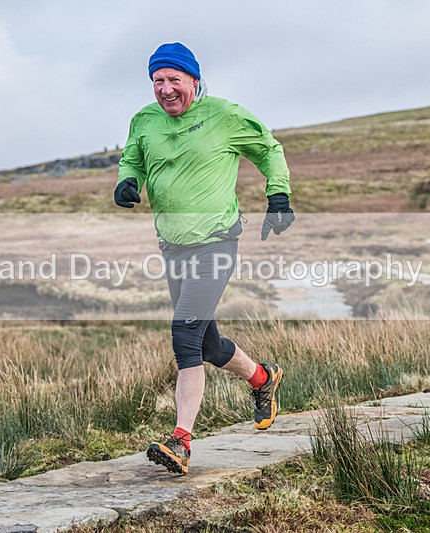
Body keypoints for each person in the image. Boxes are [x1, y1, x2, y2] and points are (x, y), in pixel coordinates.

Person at [115, 42, 295, 475]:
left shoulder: (224, 115)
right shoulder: (144, 120)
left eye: (174, 79)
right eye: (158, 81)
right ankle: (263, 378)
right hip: (172, 246)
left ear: (194, 80)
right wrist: (128, 180)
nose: (165, 89)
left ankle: (181, 442)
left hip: (216, 241)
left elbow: (268, 149)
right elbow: (132, 158)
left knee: (184, 334)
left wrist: (279, 195)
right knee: (208, 346)